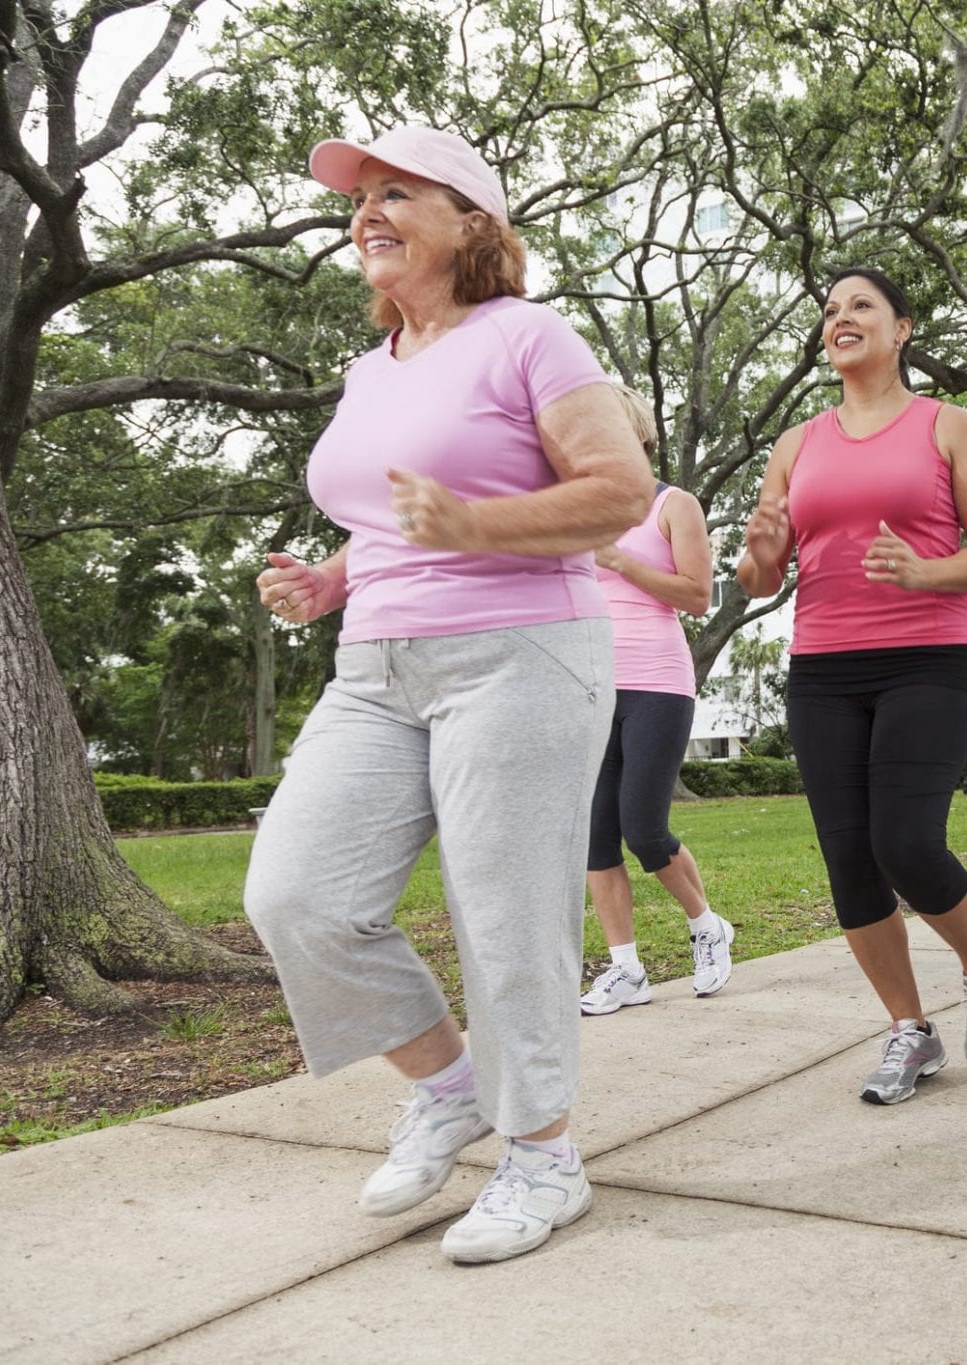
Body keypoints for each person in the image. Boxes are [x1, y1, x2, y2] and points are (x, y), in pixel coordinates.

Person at [245, 125, 652, 1263]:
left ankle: (543, 1158)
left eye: (395, 193)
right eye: (359, 197)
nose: (365, 212)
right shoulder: (370, 366)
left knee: (506, 917)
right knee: (298, 895)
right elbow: (385, 518)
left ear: (470, 219)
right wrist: (333, 577)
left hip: (520, 653)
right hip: (376, 665)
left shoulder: (527, 336)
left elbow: (619, 491)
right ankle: (447, 1086)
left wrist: (476, 528)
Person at [735, 267, 967, 1104]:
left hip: (929, 659)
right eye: (830, 310)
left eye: (861, 305)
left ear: (903, 329)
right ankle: (909, 1029)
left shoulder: (948, 426)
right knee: (850, 862)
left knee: (907, 843)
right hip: (822, 668)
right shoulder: (797, 444)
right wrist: (755, 549)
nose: (841, 318)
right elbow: (760, 580)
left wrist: (926, 572)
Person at [579, 386, 736, 1014]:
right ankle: (625, 970)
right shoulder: (574, 510)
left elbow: (697, 596)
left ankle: (707, 926)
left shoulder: (675, 504)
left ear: (637, 433)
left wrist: (618, 559)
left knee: (644, 828)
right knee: (595, 839)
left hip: (658, 683)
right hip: (589, 686)